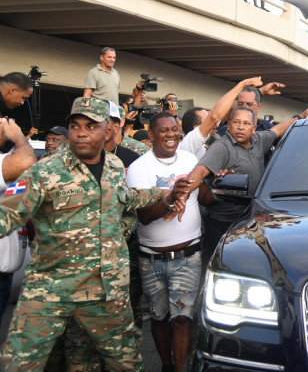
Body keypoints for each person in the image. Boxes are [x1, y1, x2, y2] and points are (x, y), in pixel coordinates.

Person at [0, 97, 191, 371]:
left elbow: (125, 197)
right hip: (51, 291)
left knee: (122, 362)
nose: (81, 132)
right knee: (19, 363)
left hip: (106, 292)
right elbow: (5, 212)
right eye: (75, 125)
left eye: (91, 126)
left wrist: (166, 195)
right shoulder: (43, 172)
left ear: (108, 130)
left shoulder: (114, 167)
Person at [183, 105, 308, 260]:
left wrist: (300, 116)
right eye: (236, 122)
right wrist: (179, 195)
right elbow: (198, 173)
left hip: (249, 221)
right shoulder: (221, 147)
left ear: (253, 129)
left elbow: (277, 130)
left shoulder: (258, 140)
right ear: (229, 125)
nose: (240, 127)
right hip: (223, 224)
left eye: (246, 124)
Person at [127, 112, 203, 372]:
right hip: (151, 260)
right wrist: (171, 197)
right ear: (151, 135)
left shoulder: (191, 159)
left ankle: (180, 369)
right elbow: (145, 216)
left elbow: (204, 195)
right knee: (159, 317)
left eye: (175, 129)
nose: (171, 135)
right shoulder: (139, 168)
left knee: (183, 318)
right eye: (164, 130)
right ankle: (167, 365)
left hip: (188, 255)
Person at [180, 77, 275, 159]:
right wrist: (242, 85)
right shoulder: (190, 144)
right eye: (207, 120)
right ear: (196, 128)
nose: (215, 125)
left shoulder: (204, 148)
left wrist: (259, 92)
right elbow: (214, 116)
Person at [0, 117, 36, 322]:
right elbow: (25, 161)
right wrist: (19, 138)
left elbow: (17, 199)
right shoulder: (11, 163)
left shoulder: (7, 168)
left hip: (7, 279)